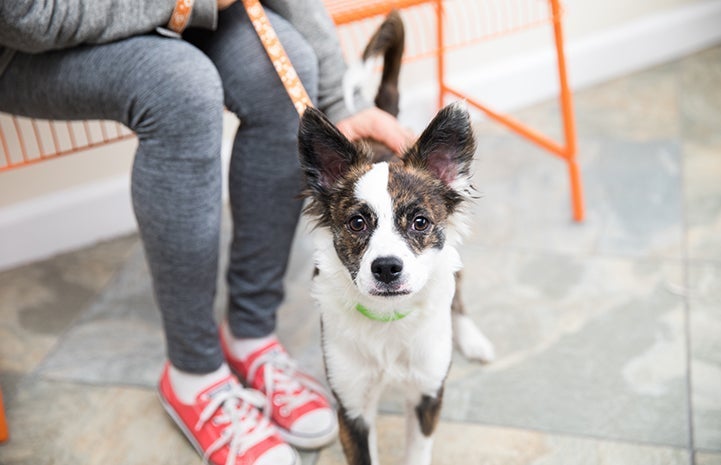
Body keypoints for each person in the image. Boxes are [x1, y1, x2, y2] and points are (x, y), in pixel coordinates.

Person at [0, 1, 412, 464]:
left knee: (284, 68)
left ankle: (250, 334)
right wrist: (184, 5)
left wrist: (338, 104)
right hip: (25, 40)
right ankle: (191, 372)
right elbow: (27, 15)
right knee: (182, 86)